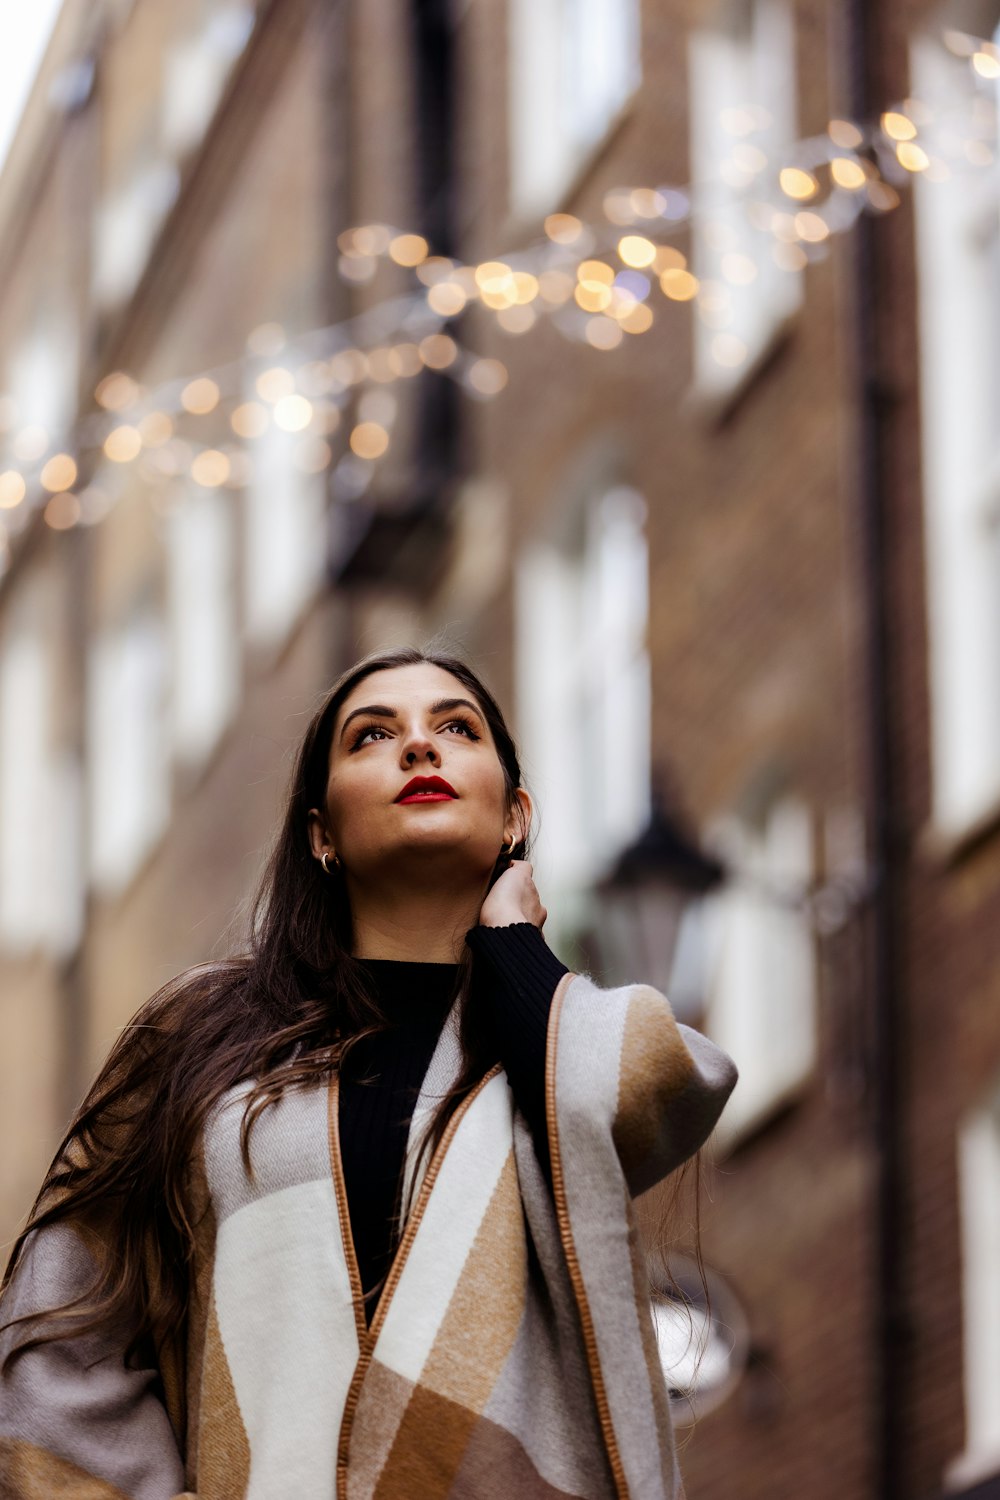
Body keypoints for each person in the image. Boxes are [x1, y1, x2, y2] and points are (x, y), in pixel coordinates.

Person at [0, 645, 738, 1499]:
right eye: (372, 735)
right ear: (321, 833)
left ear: (514, 816)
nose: (419, 747)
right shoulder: (202, 1037)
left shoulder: (565, 1038)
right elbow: (59, 1331)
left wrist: (513, 952)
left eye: (455, 728)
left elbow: (663, 1086)